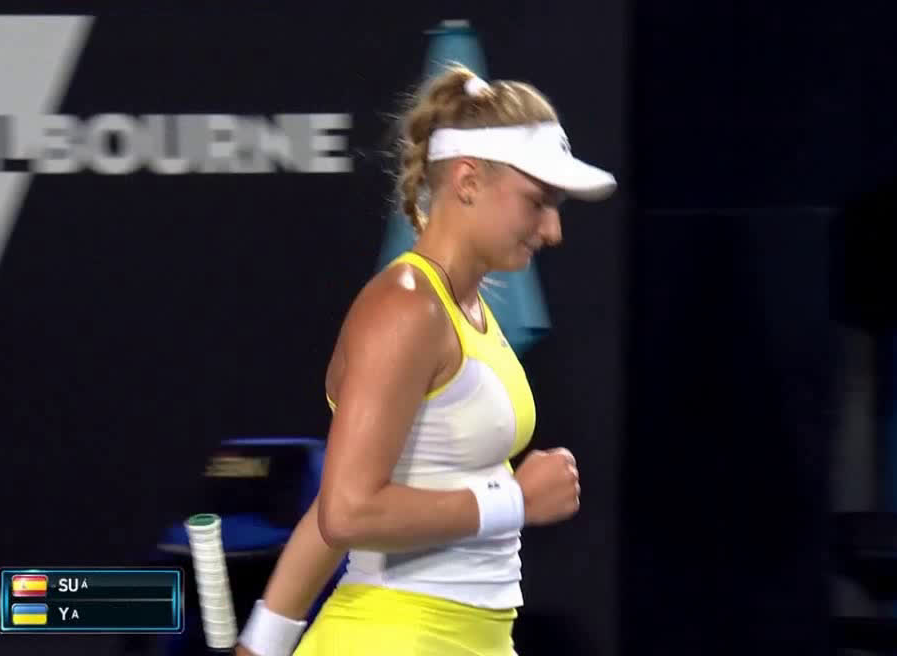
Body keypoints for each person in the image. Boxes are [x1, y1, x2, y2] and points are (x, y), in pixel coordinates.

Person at [234, 63, 616, 656]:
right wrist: (515, 501)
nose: (553, 229)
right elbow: (349, 512)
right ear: (467, 180)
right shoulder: (405, 307)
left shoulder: (465, 308)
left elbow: (334, 507)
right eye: (538, 202)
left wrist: (261, 644)